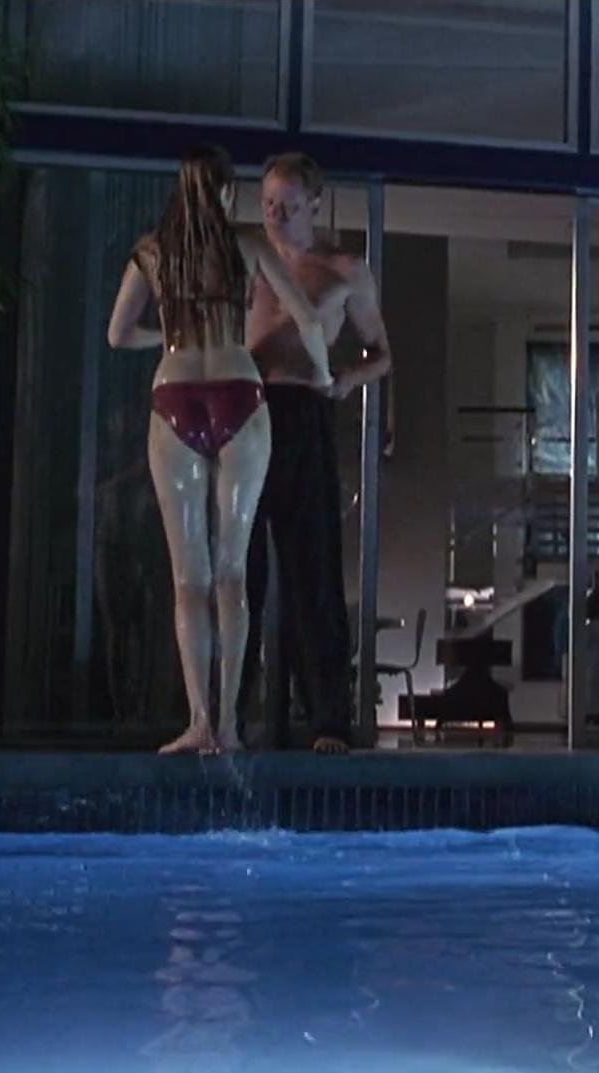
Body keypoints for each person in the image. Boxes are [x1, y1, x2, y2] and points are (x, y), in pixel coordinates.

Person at [106, 145, 329, 754]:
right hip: (240, 394)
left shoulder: (151, 253)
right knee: (233, 572)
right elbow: (308, 320)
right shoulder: (247, 245)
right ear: (227, 193)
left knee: (189, 577)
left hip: (174, 395)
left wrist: (171, 336)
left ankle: (198, 720)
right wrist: (324, 376)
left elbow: (117, 334)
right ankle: (229, 723)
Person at [238, 152, 393, 755]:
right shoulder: (248, 262)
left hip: (305, 410)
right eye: (268, 204)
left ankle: (328, 717)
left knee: (314, 571)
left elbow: (381, 353)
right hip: (248, 411)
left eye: (289, 206)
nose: (276, 216)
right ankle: (226, 711)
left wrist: (348, 380)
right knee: (238, 569)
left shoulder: (343, 270)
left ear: (315, 206)